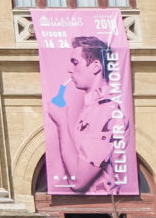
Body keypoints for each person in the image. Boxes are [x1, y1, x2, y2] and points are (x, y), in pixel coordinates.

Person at [45, 34, 129, 196]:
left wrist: (62, 122)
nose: (69, 69)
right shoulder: (92, 109)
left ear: (96, 66)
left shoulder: (105, 112)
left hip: (100, 207)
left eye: (75, 62)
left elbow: (78, 181)